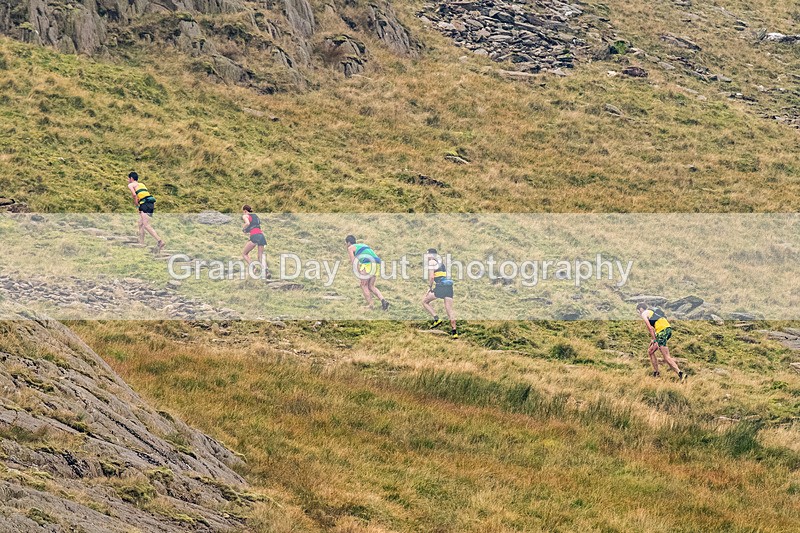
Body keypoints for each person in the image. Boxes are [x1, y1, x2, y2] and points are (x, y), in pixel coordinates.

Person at [637, 302, 684, 380]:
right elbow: (656, 326)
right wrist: (653, 339)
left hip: (662, 331)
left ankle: (680, 373)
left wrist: (654, 339)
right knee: (650, 351)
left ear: (641, 309)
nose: (638, 313)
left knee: (666, 357)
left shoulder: (644, 313)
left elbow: (650, 328)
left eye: (638, 311)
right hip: (667, 330)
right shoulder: (652, 312)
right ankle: (656, 373)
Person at [345, 235, 389, 311]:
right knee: (371, 286)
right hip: (377, 262)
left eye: (346, 243)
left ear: (348, 242)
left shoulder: (350, 248)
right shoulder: (362, 245)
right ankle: (383, 301)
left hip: (368, 262)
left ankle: (371, 305)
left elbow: (353, 261)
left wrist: (359, 272)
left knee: (363, 285)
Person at [422, 249, 458, 338]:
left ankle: (436, 318)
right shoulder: (441, 263)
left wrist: (430, 288)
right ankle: (454, 332)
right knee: (449, 310)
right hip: (449, 287)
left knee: (424, 301)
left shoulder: (431, 262)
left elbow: (431, 277)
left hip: (440, 287)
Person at [127, 171, 165, 251]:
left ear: (131, 178)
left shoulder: (131, 185)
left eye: (128, 178)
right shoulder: (142, 184)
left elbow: (134, 195)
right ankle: (141, 243)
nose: (128, 180)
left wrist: (137, 204)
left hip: (144, 204)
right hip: (150, 203)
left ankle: (159, 241)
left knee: (146, 224)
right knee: (140, 223)